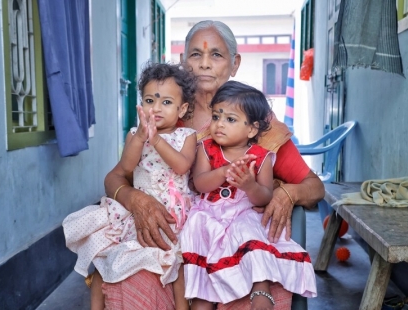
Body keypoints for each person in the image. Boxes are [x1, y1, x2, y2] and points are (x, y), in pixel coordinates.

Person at [99, 20, 325, 309]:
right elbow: (116, 176)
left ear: (235, 63)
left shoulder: (259, 125)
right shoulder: (165, 116)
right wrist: (135, 198)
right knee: (132, 281)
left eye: (216, 55)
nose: (205, 64)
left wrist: (287, 193)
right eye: (195, 55)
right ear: (183, 63)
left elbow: (314, 186)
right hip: (172, 241)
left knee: (253, 288)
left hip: (236, 238)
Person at [62, 62, 197, 310]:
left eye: (166, 102)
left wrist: (156, 140)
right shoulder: (136, 134)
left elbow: (182, 166)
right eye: (149, 100)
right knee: (107, 257)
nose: (156, 108)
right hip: (138, 210)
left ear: (182, 109)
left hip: (172, 211)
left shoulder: (186, 136)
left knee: (176, 264)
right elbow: (126, 166)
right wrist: (140, 138)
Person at [181, 81, 316, 310]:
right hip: (210, 211)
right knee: (197, 228)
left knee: (249, 230)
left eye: (230, 119)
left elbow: (264, 197)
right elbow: (200, 183)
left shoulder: (260, 157)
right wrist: (222, 172)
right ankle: (202, 296)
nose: (219, 125)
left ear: (252, 129)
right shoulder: (206, 149)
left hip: (242, 210)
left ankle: (260, 287)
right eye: (216, 117)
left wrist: (249, 185)